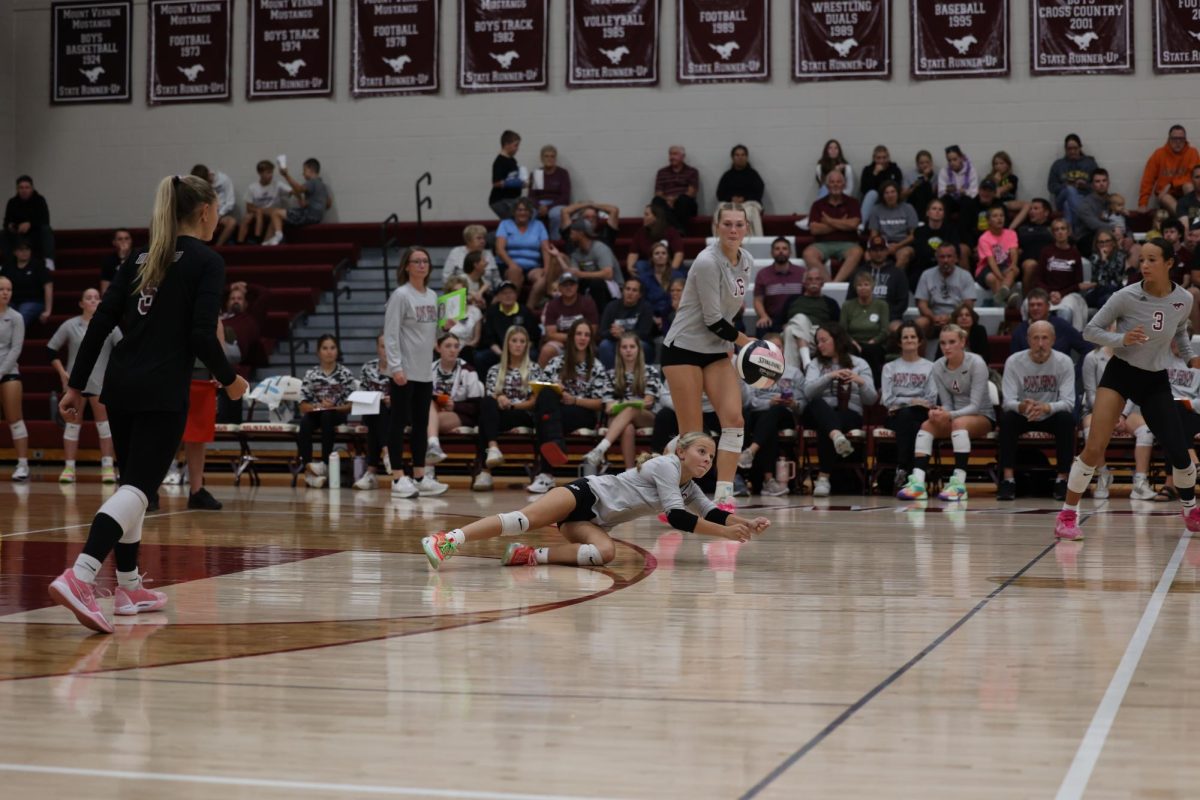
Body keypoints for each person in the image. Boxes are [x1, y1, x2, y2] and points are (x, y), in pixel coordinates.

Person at [50, 173, 250, 633]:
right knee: (139, 488)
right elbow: (202, 333)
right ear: (204, 212)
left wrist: (77, 386)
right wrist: (229, 380)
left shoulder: (141, 256)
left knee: (131, 486)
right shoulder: (207, 261)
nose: (219, 218)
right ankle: (81, 576)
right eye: (217, 210)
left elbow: (100, 322)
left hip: (120, 387)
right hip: (162, 389)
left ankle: (128, 585)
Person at [421, 431, 770, 570]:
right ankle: (448, 539)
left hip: (594, 522)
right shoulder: (667, 466)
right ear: (681, 451)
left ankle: (527, 555)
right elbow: (679, 519)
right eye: (701, 451)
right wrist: (725, 535)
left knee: (602, 554)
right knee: (522, 520)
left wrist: (744, 524)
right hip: (584, 494)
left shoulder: (689, 486)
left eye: (711, 455)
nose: (708, 459)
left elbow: (712, 512)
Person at [1054, 240, 1200, 540]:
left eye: (1152, 259)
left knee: (1180, 452)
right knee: (1095, 447)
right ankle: (1067, 516)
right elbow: (1090, 330)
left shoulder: (1183, 299)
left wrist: (1191, 358)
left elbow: (1181, 331)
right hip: (1120, 374)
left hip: (1154, 379)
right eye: (1142, 260)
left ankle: (1190, 509)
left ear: (1169, 263)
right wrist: (1123, 340)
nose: (1144, 265)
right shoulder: (1125, 296)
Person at [661, 202, 756, 510]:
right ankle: (667, 495)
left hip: (715, 349)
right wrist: (747, 342)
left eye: (738, 224)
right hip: (684, 348)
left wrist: (736, 345)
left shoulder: (747, 261)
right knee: (692, 436)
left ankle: (724, 498)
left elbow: (731, 311)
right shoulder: (706, 261)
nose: (732, 229)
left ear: (747, 228)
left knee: (734, 419)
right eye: (726, 224)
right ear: (717, 227)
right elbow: (713, 319)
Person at [896, 324, 994, 502]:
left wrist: (949, 415)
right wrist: (940, 411)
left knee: (958, 423)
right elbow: (948, 403)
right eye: (942, 343)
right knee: (927, 425)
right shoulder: (938, 366)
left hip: (982, 415)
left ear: (962, 342)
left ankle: (958, 485)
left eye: (952, 342)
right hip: (956, 415)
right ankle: (918, 484)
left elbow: (975, 406)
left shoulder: (976, 363)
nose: (946, 347)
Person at [384, 246, 448, 499]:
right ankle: (398, 477)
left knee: (421, 425)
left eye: (425, 261)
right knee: (399, 423)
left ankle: (420, 476)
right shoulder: (401, 295)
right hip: (404, 372)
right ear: (407, 266)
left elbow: (434, 335)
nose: (422, 265)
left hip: (425, 372)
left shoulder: (433, 296)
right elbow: (390, 333)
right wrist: (396, 367)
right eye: (417, 261)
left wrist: (446, 327)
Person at [996, 321, 1077, 501]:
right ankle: (1008, 480)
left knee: (1066, 420)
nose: (1040, 344)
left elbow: (1069, 402)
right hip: (1024, 413)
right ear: (1028, 340)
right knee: (1007, 419)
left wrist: (1046, 407)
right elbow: (1008, 401)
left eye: (1045, 338)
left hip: (1051, 413)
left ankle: (1062, 479)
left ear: (1053, 340)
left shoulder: (1064, 362)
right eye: (1036, 338)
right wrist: (1022, 407)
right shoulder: (1014, 361)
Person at [49, 288, 120, 484]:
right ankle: (69, 468)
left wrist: (111, 376)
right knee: (72, 426)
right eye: (88, 298)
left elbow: (123, 349)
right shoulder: (70, 325)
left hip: (100, 383)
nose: (93, 301)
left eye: (97, 298)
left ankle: (107, 467)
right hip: (76, 385)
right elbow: (50, 350)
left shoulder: (110, 326)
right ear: (81, 303)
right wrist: (63, 373)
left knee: (105, 426)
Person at [473, 326, 552, 493]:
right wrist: (498, 397)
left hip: (523, 414)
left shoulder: (535, 369)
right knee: (487, 403)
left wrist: (512, 405)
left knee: (485, 421)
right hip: (500, 415)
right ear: (507, 343)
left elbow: (535, 402)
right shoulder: (495, 370)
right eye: (514, 341)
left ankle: (485, 470)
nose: (518, 345)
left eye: (522, 342)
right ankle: (493, 450)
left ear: (527, 346)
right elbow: (490, 396)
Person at [803, 322, 877, 497]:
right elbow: (808, 391)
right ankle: (837, 437)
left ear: (836, 340)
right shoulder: (816, 364)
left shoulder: (859, 363)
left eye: (823, 340)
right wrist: (829, 376)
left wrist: (860, 381)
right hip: (820, 411)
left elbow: (872, 398)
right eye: (817, 342)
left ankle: (823, 478)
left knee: (827, 426)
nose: (820, 345)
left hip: (849, 414)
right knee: (817, 404)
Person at [1080, 341, 1153, 500]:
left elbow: (1136, 390)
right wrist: (1108, 415)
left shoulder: (1137, 357)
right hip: (1098, 410)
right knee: (1089, 425)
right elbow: (1091, 392)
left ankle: (1140, 482)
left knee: (1146, 430)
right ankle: (1103, 474)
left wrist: (1122, 414)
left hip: (1128, 411)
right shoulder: (1092, 358)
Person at [737, 332, 802, 496]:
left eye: (778, 347)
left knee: (774, 412)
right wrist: (768, 402)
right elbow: (749, 401)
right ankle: (768, 480)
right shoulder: (753, 370)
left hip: (785, 414)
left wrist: (793, 403)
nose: (774, 351)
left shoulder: (794, 372)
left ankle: (750, 452)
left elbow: (803, 403)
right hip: (761, 415)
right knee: (764, 423)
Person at [585, 333, 661, 471]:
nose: (628, 350)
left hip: (645, 416)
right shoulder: (610, 374)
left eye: (632, 346)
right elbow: (608, 408)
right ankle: (630, 473)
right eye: (624, 347)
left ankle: (601, 448)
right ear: (619, 350)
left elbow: (648, 402)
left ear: (639, 349)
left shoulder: (650, 371)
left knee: (630, 409)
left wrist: (626, 404)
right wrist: (626, 404)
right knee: (628, 428)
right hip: (617, 418)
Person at [882, 322, 938, 492]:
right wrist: (912, 401)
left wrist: (904, 401)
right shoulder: (889, 368)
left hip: (921, 415)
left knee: (911, 418)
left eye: (913, 337)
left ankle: (902, 468)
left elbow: (931, 399)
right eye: (905, 337)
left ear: (919, 341)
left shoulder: (930, 367)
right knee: (908, 418)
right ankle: (916, 472)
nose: (909, 340)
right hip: (896, 417)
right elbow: (887, 400)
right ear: (899, 342)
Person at [297, 334, 355, 489]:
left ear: (337, 351)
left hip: (337, 413)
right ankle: (309, 470)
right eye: (325, 348)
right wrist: (317, 406)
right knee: (305, 422)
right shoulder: (311, 374)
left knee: (328, 416)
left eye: (332, 348)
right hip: (317, 412)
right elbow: (302, 405)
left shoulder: (345, 374)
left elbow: (351, 405)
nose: (329, 352)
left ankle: (323, 463)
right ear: (318, 352)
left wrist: (333, 407)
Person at [424, 331, 484, 468]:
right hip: (432, 411)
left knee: (424, 424)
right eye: (448, 346)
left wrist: (455, 406)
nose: (453, 350)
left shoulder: (468, 370)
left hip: (461, 415)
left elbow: (478, 407)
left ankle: (427, 470)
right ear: (438, 348)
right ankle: (433, 447)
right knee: (427, 407)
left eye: (456, 346)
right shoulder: (428, 370)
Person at [801, 170, 863, 282]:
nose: (835, 185)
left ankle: (836, 283)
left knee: (857, 252)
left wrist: (828, 221)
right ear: (827, 185)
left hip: (847, 244)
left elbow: (854, 224)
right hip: (822, 244)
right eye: (832, 182)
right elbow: (814, 230)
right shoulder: (818, 205)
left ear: (844, 185)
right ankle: (829, 284)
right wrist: (842, 223)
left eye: (839, 182)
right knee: (808, 253)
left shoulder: (853, 203)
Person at [1030, 218, 1090, 330]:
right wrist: (1050, 293)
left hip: (1067, 294)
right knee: (1034, 306)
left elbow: (1077, 283)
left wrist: (1061, 294)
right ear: (1053, 233)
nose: (1060, 232)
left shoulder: (1075, 253)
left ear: (1068, 232)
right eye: (1056, 229)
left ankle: (1062, 342)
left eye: (1063, 228)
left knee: (1065, 311)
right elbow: (1038, 278)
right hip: (1047, 293)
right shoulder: (1046, 251)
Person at [548, 217, 620, 309]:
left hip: (611, 288)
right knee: (575, 283)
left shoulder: (600, 248)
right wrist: (558, 255)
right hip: (591, 287)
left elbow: (608, 274)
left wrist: (581, 274)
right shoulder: (576, 254)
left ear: (580, 233)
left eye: (572, 233)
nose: (570, 236)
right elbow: (573, 273)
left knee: (596, 283)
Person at [353, 335, 393, 491]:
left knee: (376, 415)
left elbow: (410, 396)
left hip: (397, 414)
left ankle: (371, 473)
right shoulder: (367, 368)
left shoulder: (402, 368)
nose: (386, 351)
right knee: (375, 410)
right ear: (377, 348)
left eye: (390, 346)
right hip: (373, 412)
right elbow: (362, 396)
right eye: (383, 346)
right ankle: (387, 451)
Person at [914, 243, 977, 343]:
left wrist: (950, 317)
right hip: (933, 319)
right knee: (920, 323)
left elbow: (968, 305)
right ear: (937, 258)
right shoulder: (927, 275)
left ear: (956, 258)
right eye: (942, 257)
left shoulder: (965, 276)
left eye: (949, 256)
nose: (945, 260)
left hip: (956, 318)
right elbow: (921, 304)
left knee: (965, 320)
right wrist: (934, 317)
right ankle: (920, 358)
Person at [783, 265, 841, 368]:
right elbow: (778, 321)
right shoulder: (793, 300)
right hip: (793, 332)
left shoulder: (830, 303)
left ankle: (791, 374)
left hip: (817, 335)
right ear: (804, 283)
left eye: (817, 279)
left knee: (792, 328)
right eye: (810, 279)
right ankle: (806, 364)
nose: (813, 282)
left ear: (822, 283)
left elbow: (836, 326)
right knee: (792, 327)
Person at [848, 234, 909, 333]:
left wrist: (884, 316)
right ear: (869, 252)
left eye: (882, 250)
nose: (878, 253)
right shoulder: (859, 272)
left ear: (887, 251)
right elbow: (850, 298)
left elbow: (902, 303)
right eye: (875, 250)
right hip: (862, 315)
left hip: (890, 318)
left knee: (897, 329)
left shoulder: (898, 273)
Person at [477, 279, 539, 373]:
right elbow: (489, 339)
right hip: (499, 350)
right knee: (480, 357)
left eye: (511, 292)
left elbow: (533, 336)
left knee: (533, 354)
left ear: (516, 295)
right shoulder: (492, 312)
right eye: (504, 293)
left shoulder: (525, 311)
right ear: (498, 296)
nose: (508, 296)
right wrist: (502, 354)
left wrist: (520, 350)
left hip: (521, 349)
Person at [1009, 288, 1091, 359]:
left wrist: (1077, 373)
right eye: (1032, 305)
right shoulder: (1020, 331)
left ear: (1048, 306)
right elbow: (1014, 360)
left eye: (1039, 305)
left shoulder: (1062, 326)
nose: (1035, 308)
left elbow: (1087, 348)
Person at [496, 198, 550, 304]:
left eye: (526, 210)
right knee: (515, 271)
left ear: (530, 212)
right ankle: (510, 306)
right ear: (514, 212)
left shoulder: (538, 225)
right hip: (509, 265)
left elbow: (546, 249)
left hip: (533, 267)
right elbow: (500, 249)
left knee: (542, 279)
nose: (522, 213)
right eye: (519, 210)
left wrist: (546, 270)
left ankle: (528, 309)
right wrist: (512, 264)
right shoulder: (505, 224)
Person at [0, 276, 28, 480]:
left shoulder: (16, 317)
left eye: (8, 289)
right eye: (1, 289)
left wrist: (0, 371)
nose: (5, 293)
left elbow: (16, 348)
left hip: (9, 372)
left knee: (14, 419)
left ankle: (22, 465)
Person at [538, 271, 598, 366]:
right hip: (561, 344)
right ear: (560, 288)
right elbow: (551, 334)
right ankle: (539, 379)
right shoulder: (552, 305)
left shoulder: (587, 303)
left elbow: (592, 331)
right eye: (565, 285)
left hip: (583, 342)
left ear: (577, 286)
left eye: (572, 284)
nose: (569, 287)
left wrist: (577, 339)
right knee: (546, 350)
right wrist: (573, 337)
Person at [1139, 125, 1200, 214]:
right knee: (1166, 198)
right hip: (1166, 195)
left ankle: (1194, 217)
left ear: (1185, 140)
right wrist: (1143, 204)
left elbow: (1195, 176)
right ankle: (1188, 219)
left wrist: (1172, 184)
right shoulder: (1159, 154)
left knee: (1189, 186)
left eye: (1181, 139)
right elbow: (1148, 179)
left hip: (1185, 193)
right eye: (1174, 139)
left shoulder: (1192, 152)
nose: (1178, 142)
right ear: (1169, 139)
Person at [840, 271, 888, 382]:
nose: (863, 288)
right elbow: (843, 330)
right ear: (855, 288)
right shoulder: (847, 305)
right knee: (850, 351)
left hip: (875, 344)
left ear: (872, 286)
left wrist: (873, 341)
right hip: (853, 344)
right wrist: (853, 342)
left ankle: (875, 386)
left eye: (866, 284)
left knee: (871, 351)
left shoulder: (882, 305)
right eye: (859, 285)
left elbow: (885, 330)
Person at [266, 158, 328, 243]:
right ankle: (266, 242)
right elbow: (328, 203)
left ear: (311, 170)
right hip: (316, 216)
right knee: (275, 220)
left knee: (275, 212)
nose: (303, 174)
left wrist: (286, 175)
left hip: (309, 215)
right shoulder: (323, 186)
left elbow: (299, 189)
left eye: (304, 170)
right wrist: (309, 203)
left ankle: (278, 237)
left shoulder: (312, 182)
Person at [597, 277, 654, 368]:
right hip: (615, 342)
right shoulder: (611, 306)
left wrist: (623, 333)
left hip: (638, 343)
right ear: (623, 291)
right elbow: (602, 331)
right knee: (604, 345)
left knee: (641, 345)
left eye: (634, 290)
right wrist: (613, 333)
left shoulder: (646, 308)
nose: (630, 293)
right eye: (627, 289)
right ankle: (611, 377)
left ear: (639, 295)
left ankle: (638, 376)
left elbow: (645, 333)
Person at [753, 237, 805, 334]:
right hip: (772, 318)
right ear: (772, 253)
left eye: (784, 249)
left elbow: (806, 298)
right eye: (777, 249)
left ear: (790, 252)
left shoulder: (801, 273)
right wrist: (764, 316)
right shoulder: (763, 274)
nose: (781, 251)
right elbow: (758, 300)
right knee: (762, 329)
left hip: (797, 318)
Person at [1047, 134, 1098, 228]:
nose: (1072, 151)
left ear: (1080, 147)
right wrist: (1065, 185)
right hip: (1061, 198)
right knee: (1070, 190)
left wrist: (1085, 185)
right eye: (1069, 149)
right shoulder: (1058, 165)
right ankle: (1084, 219)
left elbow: (1097, 186)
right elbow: (1051, 187)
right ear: (1065, 149)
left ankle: (1072, 236)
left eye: (1075, 148)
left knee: (1068, 205)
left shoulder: (1090, 163)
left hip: (1084, 198)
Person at [866, 181, 917, 272]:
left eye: (893, 192)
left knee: (904, 254)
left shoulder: (908, 208)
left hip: (903, 243)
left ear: (898, 193)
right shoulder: (876, 210)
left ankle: (893, 280)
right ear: (883, 196)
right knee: (868, 255)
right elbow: (874, 235)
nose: (890, 195)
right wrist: (884, 247)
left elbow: (913, 235)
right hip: (882, 244)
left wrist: (897, 246)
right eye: (887, 193)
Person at [443, 225, 500, 306]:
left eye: (484, 238)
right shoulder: (456, 252)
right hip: (460, 296)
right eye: (479, 238)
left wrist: (499, 295)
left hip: (486, 295)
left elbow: (497, 280)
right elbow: (446, 279)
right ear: (468, 240)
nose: (483, 241)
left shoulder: (488, 254)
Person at [909, 198, 960, 289]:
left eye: (940, 209)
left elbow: (955, 250)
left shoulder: (951, 230)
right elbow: (921, 251)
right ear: (927, 213)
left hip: (946, 265)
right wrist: (940, 254)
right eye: (934, 209)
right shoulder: (919, 231)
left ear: (943, 214)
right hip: (924, 266)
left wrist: (937, 255)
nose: (937, 211)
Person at [1, 237, 52, 327]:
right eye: (21, 250)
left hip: (33, 301)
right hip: (11, 301)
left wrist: (48, 310)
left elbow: (48, 286)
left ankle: (11, 340)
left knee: (20, 316)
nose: (24, 252)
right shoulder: (8, 266)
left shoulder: (38, 265)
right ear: (15, 252)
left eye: (27, 249)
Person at [974, 206, 1020, 305]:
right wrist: (1001, 278)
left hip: (1004, 265)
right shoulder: (984, 238)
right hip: (986, 267)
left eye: (1001, 215)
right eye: (995, 216)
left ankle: (1001, 296)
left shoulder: (1011, 233)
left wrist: (1013, 265)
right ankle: (1007, 299)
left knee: (1014, 270)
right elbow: (991, 261)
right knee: (992, 278)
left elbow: (1013, 252)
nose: (999, 218)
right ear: (988, 221)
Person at [716, 144, 765, 235]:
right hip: (730, 203)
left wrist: (744, 198)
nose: (740, 157)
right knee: (720, 210)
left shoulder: (753, 175)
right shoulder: (727, 176)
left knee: (749, 212)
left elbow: (758, 192)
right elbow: (720, 194)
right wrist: (731, 198)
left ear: (746, 157)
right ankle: (722, 242)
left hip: (748, 203)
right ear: (732, 157)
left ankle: (753, 241)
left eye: (743, 155)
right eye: (737, 155)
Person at [3, 175, 54, 264]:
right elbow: (6, 221)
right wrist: (11, 226)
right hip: (18, 232)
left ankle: (49, 261)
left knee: (46, 230)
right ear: (17, 189)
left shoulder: (39, 200)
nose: (24, 190)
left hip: (35, 232)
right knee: (3, 233)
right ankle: (8, 263)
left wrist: (30, 224)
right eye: (21, 188)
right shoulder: (12, 202)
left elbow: (45, 220)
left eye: (27, 187)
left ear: (32, 188)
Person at [238, 159, 289, 244]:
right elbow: (248, 207)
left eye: (271, 172)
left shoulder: (277, 184)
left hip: (272, 211)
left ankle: (258, 239)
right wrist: (258, 210)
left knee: (271, 212)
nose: (271, 175)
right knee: (247, 217)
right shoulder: (252, 187)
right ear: (260, 173)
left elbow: (292, 192)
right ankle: (239, 243)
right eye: (268, 172)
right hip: (258, 211)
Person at [627, 203, 684, 279]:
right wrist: (630, 267)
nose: (644, 217)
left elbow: (678, 254)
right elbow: (633, 253)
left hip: (668, 265)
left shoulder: (671, 232)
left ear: (656, 217)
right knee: (640, 265)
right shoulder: (641, 232)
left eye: (647, 215)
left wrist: (671, 270)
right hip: (650, 265)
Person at [654, 145, 700, 231]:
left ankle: (675, 230)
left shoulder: (692, 172)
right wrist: (668, 200)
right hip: (667, 203)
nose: (671, 157)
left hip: (685, 204)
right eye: (670, 154)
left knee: (683, 200)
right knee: (656, 201)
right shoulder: (662, 172)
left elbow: (691, 193)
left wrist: (674, 199)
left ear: (683, 156)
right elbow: (658, 193)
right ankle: (679, 229)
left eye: (675, 154)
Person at [529, 144, 571, 240]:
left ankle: (555, 242)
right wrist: (539, 207)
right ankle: (532, 240)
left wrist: (548, 207)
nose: (549, 159)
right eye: (546, 156)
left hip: (557, 204)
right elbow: (532, 197)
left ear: (555, 158)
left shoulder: (562, 173)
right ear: (541, 158)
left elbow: (565, 197)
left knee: (555, 214)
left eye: (552, 156)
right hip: (540, 203)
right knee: (529, 212)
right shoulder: (537, 174)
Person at [190, 164, 237, 246]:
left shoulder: (224, 180)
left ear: (209, 174)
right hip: (205, 214)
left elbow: (230, 202)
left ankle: (218, 247)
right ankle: (198, 248)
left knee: (231, 222)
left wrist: (218, 215)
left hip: (221, 214)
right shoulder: (198, 184)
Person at [439, 275, 482, 363]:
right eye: (455, 291)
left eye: (461, 291)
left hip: (466, 350)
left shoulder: (475, 311)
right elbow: (439, 337)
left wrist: (461, 349)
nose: (458, 294)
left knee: (467, 352)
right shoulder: (442, 311)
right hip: (447, 349)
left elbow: (476, 340)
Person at [859, 145, 903, 226]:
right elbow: (864, 190)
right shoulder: (868, 170)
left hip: (890, 197)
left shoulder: (895, 170)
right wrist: (875, 174)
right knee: (872, 193)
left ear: (888, 157)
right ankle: (862, 225)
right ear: (874, 158)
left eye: (884, 157)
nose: (882, 161)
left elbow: (898, 187)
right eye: (878, 158)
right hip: (875, 200)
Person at [1016, 198, 1055, 290]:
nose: (1031, 212)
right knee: (1031, 265)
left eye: (1036, 209)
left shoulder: (1053, 228)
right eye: (1030, 209)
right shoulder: (1023, 229)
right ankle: (1027, 300)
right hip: (1027, 263)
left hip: (1048, 262)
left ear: (1046, 213)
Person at [1075, 168, 1116, 256]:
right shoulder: (1085, 203)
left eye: (1104, 180)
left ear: (1108, 183)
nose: (1101, 184)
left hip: (1111, 235)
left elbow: (1123, 220)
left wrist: (1129, 236)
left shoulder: (1114, 200)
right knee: (1104, 241)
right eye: (1097, 181)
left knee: (1135, 247)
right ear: (1092, 185)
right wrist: (1115, 228)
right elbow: (1094, 225)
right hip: (1088, 238)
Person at [640, 241, 685, 320]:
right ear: (651, 257)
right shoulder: (644, 278)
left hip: (674, 315)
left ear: (668, 257)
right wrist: (653, 318)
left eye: (663, 253)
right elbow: (642, 302)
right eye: (657, 253)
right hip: (650, 317)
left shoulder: (677, 276)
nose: (660, 256)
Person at [987, 151, 1030, 228]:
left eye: (1001, 163)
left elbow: (1002, 190)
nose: (998, 166)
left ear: (1007, 165)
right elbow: (993, 195)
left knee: (1028, 205)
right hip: (993, 202)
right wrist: (995, 182)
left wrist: (997, 184)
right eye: (996, 164)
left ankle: (1011, 228)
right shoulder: (989, 178)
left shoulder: (1012, 178)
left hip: (1008, 202)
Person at [489, 129, 525, 219]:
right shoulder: (499, 162)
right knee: (514, 221)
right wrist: (512, 183)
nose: (517, 149)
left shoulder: (512, 160)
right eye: (515, 145)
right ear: (506, 144)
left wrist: (522, 183)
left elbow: (514, 177)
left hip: (512, 198)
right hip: (500, 200)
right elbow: (496, 183)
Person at [936, 145, 978, 213]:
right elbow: (940, 194)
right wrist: (947, 191)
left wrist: (964, 192)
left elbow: (974, 193)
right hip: (951, 200)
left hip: (965, 200)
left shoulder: (971, 170)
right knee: (946, 200)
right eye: (949, 160)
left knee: (966, 200)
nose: (952, 163)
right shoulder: (944, 171)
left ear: (961, 158)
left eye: (955, 159)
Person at [903, 150, 937, 221]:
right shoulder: (909, 175)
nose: (925, 165)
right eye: (921, 163)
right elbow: (903, 194)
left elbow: (933, 193)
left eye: (927, 162)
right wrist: (915, 185)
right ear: (917, 164)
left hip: (929, 202)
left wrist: (926, 178)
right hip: (913, 202)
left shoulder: (935, 176)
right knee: (920, 187)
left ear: (931, 163)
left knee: (925, 186)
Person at [100, 228, 136, 294]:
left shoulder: (137, 257)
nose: (124, 241)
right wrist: (122, 257)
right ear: (114, 242)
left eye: (127, 238)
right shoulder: (108, 261)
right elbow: (105, 289)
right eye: (120, 239)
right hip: (117, 294)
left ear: (131, 240)